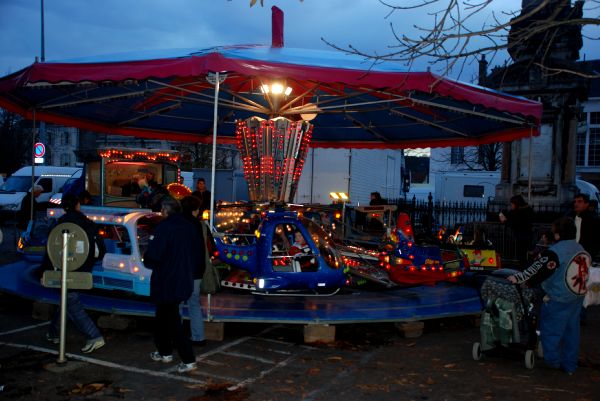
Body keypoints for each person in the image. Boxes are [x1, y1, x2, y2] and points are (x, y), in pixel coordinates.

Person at [507, 217, 590, 374]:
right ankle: (570, 365)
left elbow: (537, 270)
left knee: (551, 331)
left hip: (558, 297)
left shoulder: (554, 253)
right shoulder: (580, 248)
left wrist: (519, 279)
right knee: (571, 331)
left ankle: (554, 362)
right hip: (576, 296)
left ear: (557, 235)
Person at [44, 193, 106, 353]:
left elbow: (50, 249)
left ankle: (94, 336)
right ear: (78, 205)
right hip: (83, 267)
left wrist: (45, 269)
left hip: (62, 267)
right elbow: (101, 248)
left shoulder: (58, 224)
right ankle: (54, 332)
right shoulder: (88, 223)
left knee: (70, 301)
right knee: (67, 300)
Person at [143, 196, 200, 373]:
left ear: (165, 210)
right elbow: (196, 254)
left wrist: (148, 259)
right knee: (162, 317)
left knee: (173, 321)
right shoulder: (189, 227)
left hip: (166, 279)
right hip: (183, 278)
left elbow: (154, 256)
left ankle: (188, 359)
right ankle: (164, 351)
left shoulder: (164, 227)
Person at [180, 195, 207, 347]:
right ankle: (198, 337)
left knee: (176, 303)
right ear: (195, 209)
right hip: (196, 271)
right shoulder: (197, 225)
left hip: (181, 270)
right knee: (194, 304)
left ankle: (177, 335)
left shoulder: (178, 223)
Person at [499, 195, 535, 269]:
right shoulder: (528, 210)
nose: (511, 205)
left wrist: (504, 221)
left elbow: (513, 224)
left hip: (521, 236)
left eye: (512, 204)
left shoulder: (517, 212)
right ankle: (528, 269)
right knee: (528, 255)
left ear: (516, 203)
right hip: (528, 235)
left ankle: (523, 271)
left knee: (521, 256)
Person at [569, 193, 600, 260]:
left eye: (579, 201)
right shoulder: (570, 218)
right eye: (575, 201)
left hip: (585, 255)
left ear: (586, 204)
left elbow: (595, 240)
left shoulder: (593, 220)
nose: (576, 204)